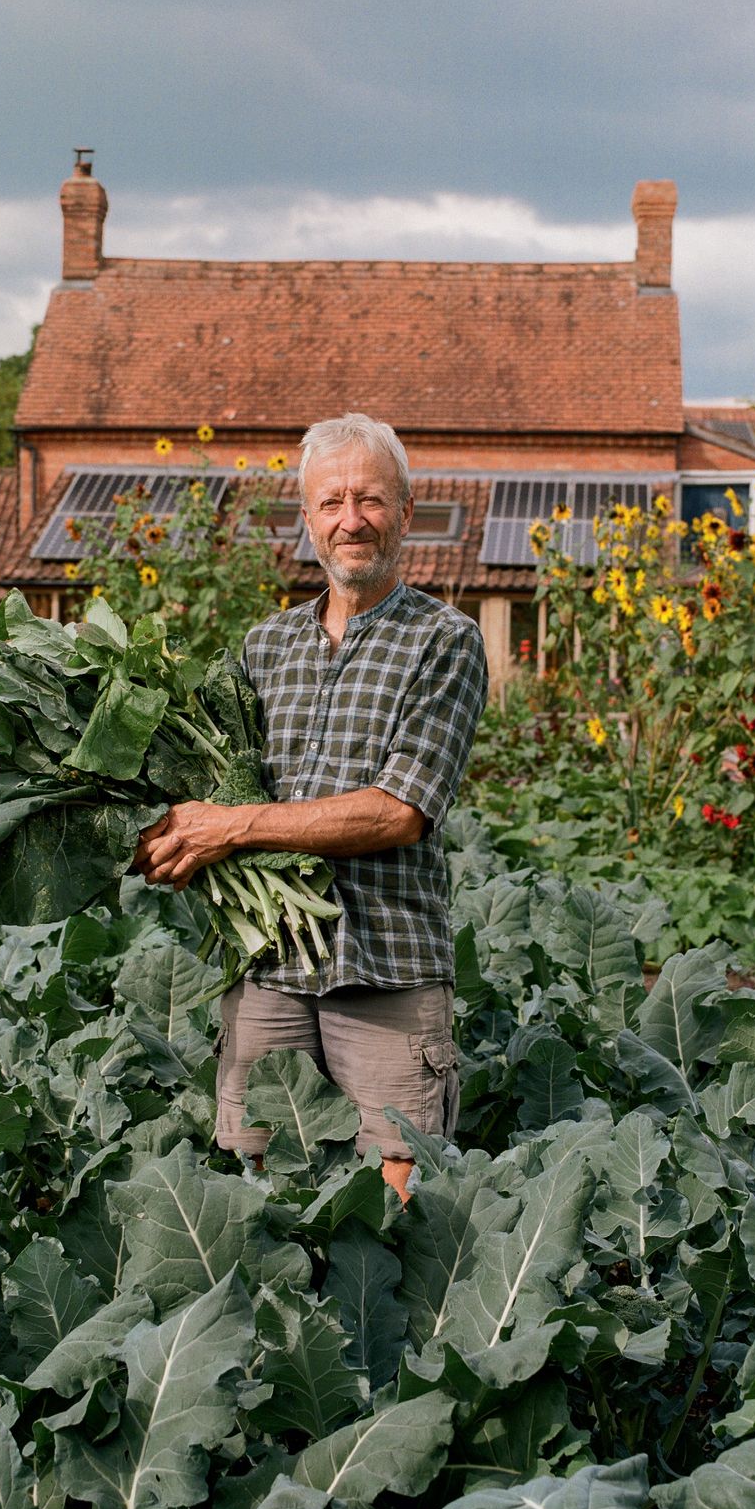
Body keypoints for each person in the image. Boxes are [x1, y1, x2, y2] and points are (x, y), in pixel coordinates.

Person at [134, 412, 488, 1200]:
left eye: (369, 499)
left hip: (386, 971)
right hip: (270, 969)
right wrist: (157, 832)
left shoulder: (445, 640)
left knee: (395, 1204)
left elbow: (399, 811)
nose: (350, 520)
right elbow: (208, 781)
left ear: (404, 509)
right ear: (307, 519)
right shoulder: (265, 648)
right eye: (331, 503)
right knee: (255, 1193)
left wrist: (228, 829)